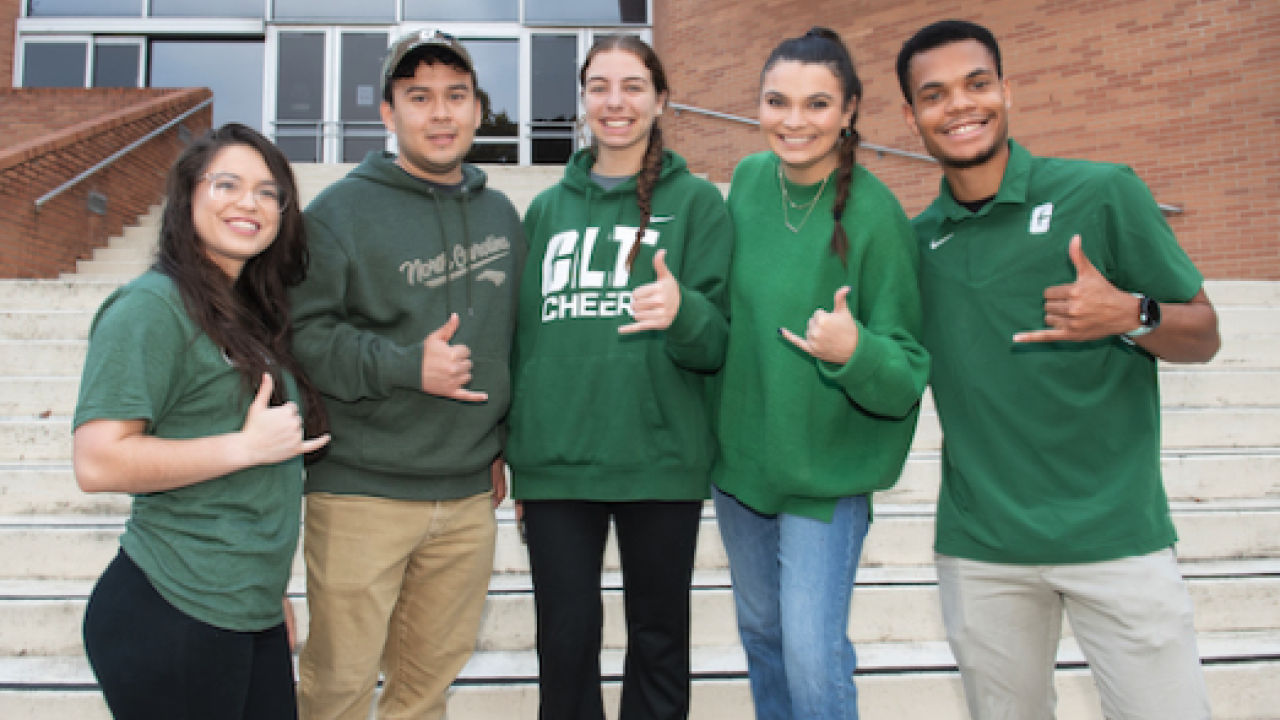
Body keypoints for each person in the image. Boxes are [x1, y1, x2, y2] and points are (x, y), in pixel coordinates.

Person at [896, 19, 1220, 720]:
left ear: (1008, 91)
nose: (959, 106)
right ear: (912, 116)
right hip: (983, 550)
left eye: (977, 84)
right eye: (935, 94)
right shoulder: (914, 244)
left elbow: (1205, 332)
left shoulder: (1103, 193)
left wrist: (1133, 313)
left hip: (1117, 538)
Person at [289, 29, 524, 720]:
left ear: (479, 110)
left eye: (456, 96)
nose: (441, 113)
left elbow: (512, 339)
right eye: (419, 97)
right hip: (361, 492)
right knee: (338, 688)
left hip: (464, 500)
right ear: (388, 113)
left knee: (425, 693)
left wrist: (503, 440)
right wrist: (401, 365)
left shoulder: (501, 216)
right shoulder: (337, 214)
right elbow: (300, 337)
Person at [506, 34, 733, 720]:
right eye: (600, 86)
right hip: (557, 467)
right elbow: (525, 340)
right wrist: (518, 454)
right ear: (582, 101)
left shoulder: (696, 205)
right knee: (566, 645)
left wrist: (683, 310)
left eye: (633, 85)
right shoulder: (545, 210)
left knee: (659, 642)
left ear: (661, 99)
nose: (616, 101)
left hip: (659, 462)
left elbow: (718, 341)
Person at [73, 123, 330, 720]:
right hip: (173, 609)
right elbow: (98, 460)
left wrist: (272, 595)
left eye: (269, 192)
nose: (250, 202)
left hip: (249, 611)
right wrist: (242, 448)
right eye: (228, 184)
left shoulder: (245, 314)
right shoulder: (151, 307)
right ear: (187, 197)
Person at [712, 27, 930, 720]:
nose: (794, 121)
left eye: (816, 104)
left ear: (849, 111)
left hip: (825, 476)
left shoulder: (877, 215)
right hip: (742, 470)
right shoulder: (747, 181)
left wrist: (854, 349)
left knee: (812, 657)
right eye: (778, 101)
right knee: (763, 637)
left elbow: (905, 375)